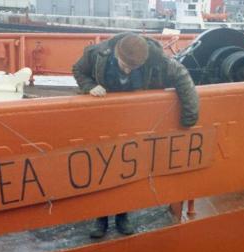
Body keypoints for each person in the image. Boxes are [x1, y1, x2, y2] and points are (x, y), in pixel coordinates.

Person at [72, 33, 199, 238]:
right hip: (103, 121)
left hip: (132, 122)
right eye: (124, 65)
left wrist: (190, 117)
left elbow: (182, 76)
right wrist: (89, 87)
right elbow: (78, 69)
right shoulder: (96, 54)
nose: (128, 70)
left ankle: (123, 214)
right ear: (116, 53)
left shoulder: (155, 58)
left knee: (127, 167)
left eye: (134, 67)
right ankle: (101, 217)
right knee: (101, 168)